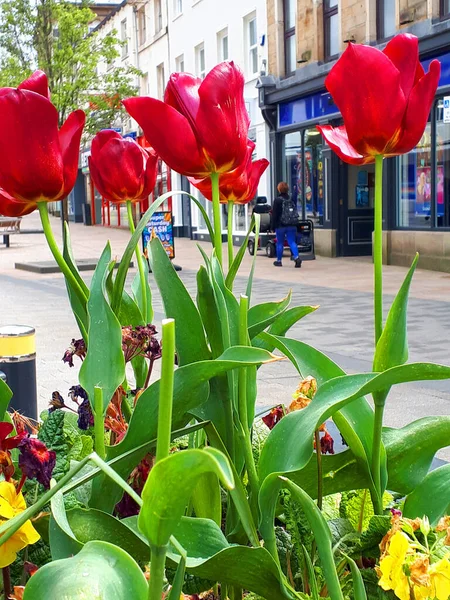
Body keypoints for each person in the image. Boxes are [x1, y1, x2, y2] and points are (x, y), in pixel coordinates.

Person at [271, 182, 301, 267]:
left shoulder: (277, 200)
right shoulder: (291, 199)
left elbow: (275, 214)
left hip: (280, 225)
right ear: (287, 189)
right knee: (292, 241)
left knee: (280, 243)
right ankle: (296, 257)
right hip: (292, 224)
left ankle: (279, 261)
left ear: (279, 189)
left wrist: (272, 226)